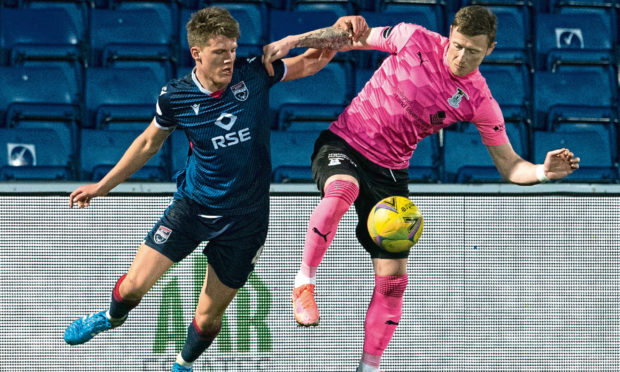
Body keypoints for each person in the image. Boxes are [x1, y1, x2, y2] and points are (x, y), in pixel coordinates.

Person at [263, 5, 581, 372]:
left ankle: (369, 367)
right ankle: (304, 283)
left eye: (473, 51)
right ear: (450, 34)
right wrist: (292, 40)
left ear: (490, 49)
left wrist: (542, 171)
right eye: (458, 45)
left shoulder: (479, 100)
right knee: (342, 191)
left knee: (394, 280)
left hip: (390, 175)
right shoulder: (413, 37)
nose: (461, 57)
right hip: (344, 144)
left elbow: (510, 166)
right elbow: (350, 37)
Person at [63, 7, 367, 372]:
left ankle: (181, 365)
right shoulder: (175, 97)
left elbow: (315, 61)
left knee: (207, 321)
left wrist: (306, 37)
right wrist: (102, 186)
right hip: (192, 207)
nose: (229, 59)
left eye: (232, 50)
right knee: (131, 289)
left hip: (245, 222)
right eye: (219, 53)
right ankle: (110, 319)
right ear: (197, 54)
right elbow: (147, 144)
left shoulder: (253, 74)